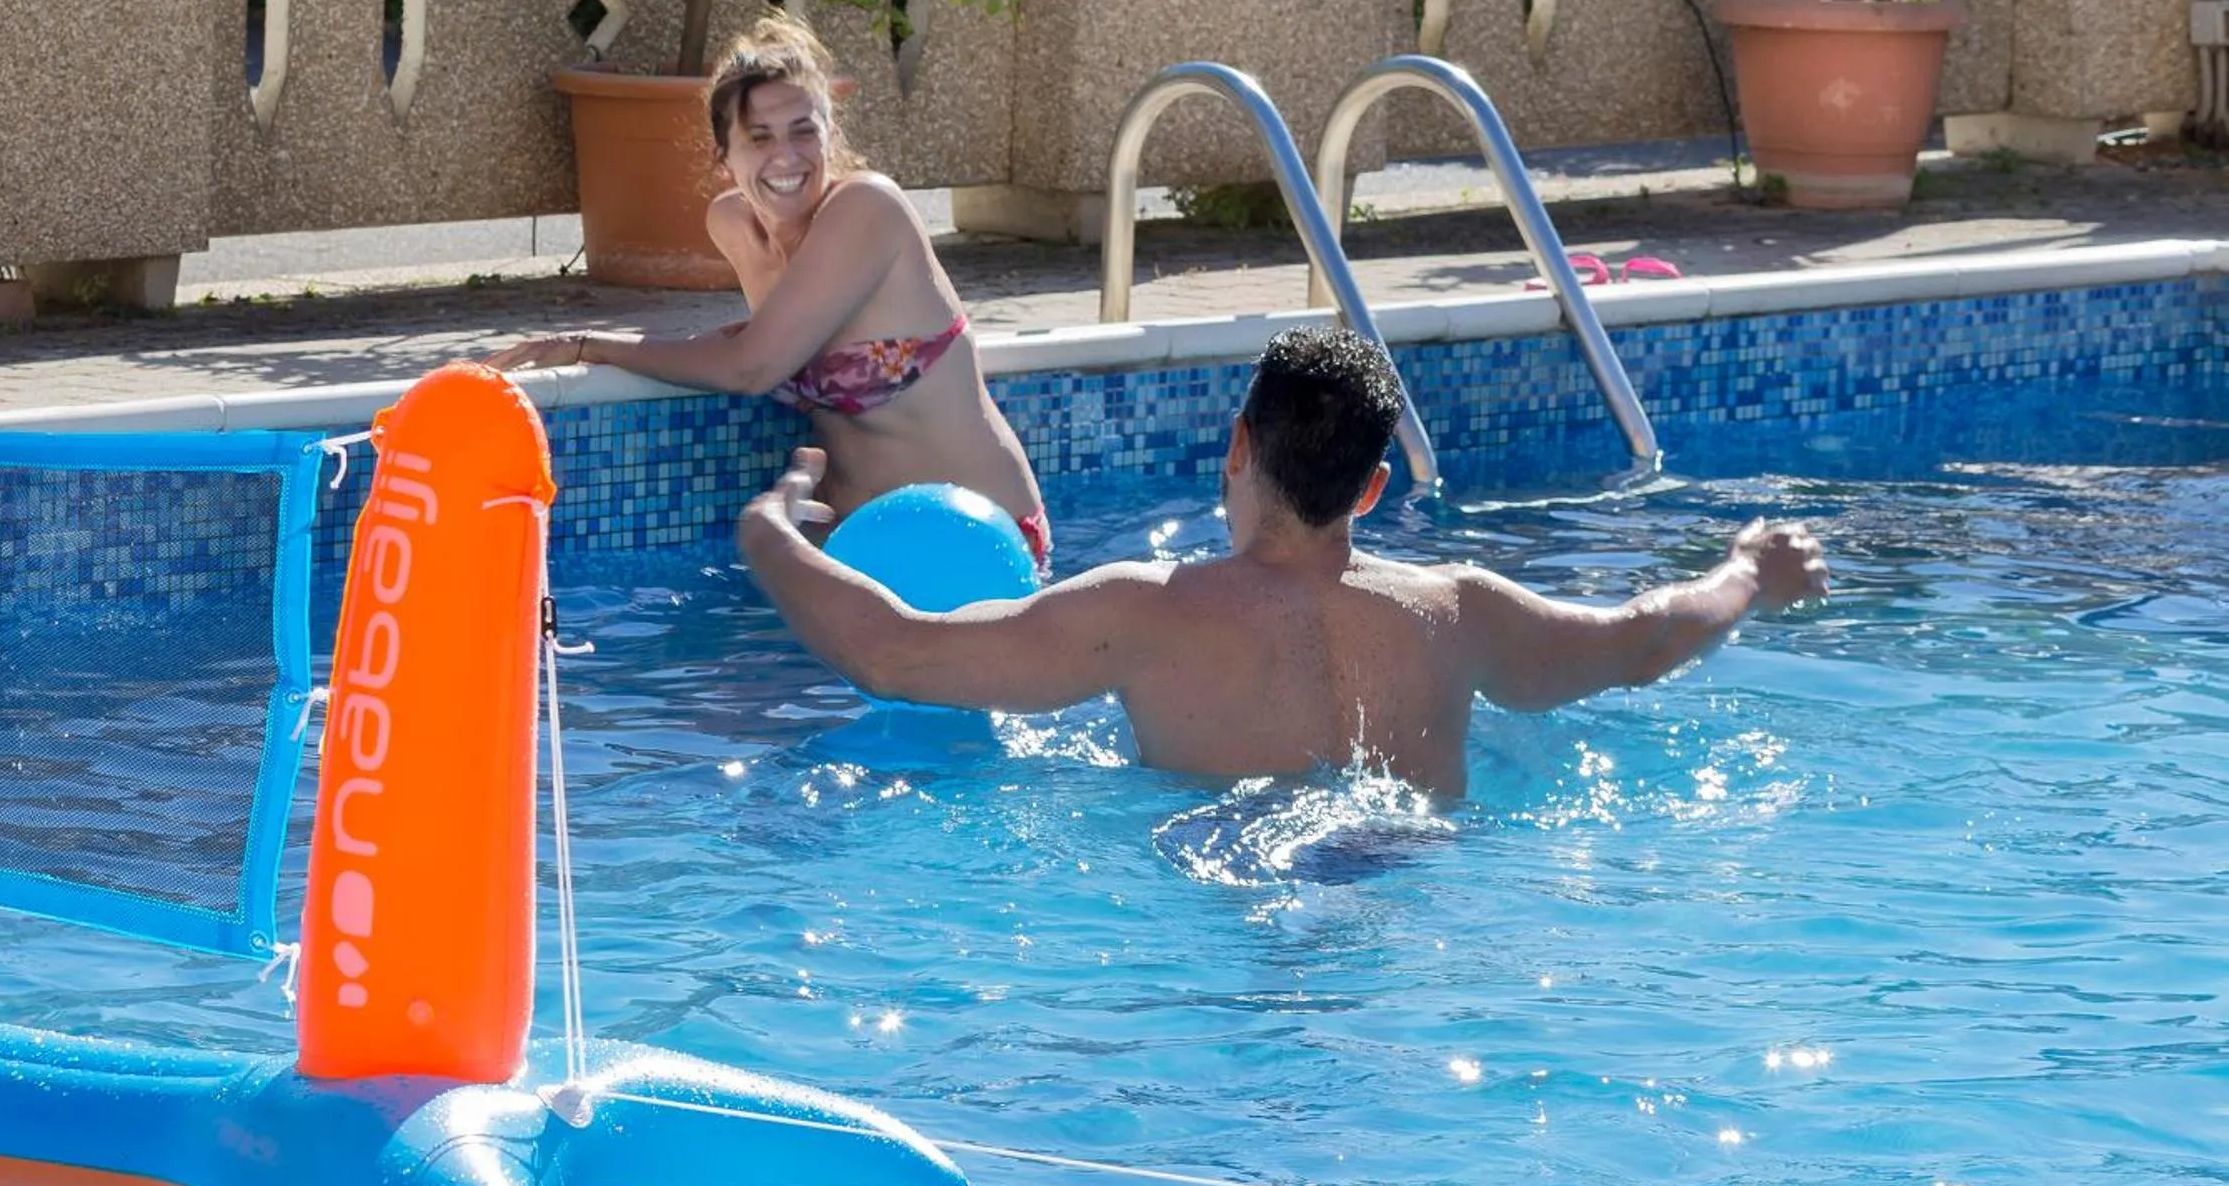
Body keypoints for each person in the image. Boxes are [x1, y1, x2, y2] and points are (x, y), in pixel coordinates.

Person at [738, 326, 1830, 795]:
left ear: (1235, 450)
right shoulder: (1462, 612)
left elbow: (891, 652)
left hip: (1219, 885)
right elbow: (1647, 640)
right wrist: (1748, 569)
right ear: (1371, 489)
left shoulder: (1142, 612)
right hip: (1409, 891)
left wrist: (770, 529)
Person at [488, 13, 1050, 569]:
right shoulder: (733, 225)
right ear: (723, 155)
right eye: (759, 137)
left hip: (981, 546)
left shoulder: (866, 208)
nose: (785, 156)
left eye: (804, 131)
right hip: (865, 558)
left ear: (831, 132)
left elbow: (751, 366)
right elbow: (759, 345)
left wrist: (590, 344)